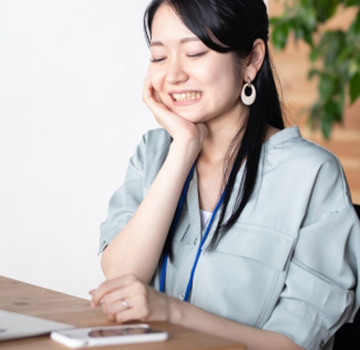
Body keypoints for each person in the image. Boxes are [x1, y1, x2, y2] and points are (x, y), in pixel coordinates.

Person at [89, 1, 360, 349]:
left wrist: (172, 313)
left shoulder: (310, 175)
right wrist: (184, 146)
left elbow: (293, 345)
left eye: (195, 53)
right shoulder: (154, 152)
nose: (172, 75)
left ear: (251, 59)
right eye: (158, 57)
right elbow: (123, 279)